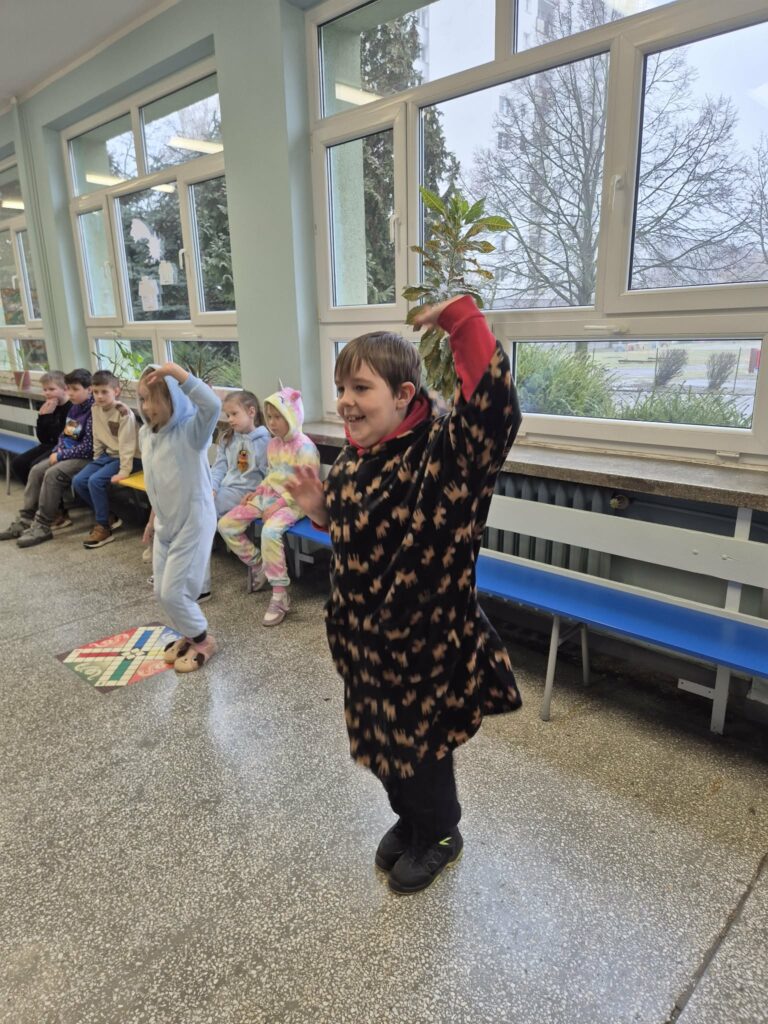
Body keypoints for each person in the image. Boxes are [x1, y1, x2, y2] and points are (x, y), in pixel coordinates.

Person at [287, 295, 522, 895]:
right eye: (341, 387)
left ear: (404, 395)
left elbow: (492, 416)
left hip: (422, 646)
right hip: (365, 644)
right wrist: (321, 512)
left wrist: (462, 321)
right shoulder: (354, 460)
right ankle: (412, 818)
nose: (345, 401)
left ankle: (440, 832)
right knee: (380, 747)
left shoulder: (441, 456)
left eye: (361, 388)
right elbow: (361, 534)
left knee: (420, 753)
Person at [137, 362, 221, 673]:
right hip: (165, 523)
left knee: (174, 592)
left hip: (193, 522)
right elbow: (156, 483)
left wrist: (178, 374)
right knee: (161, 590)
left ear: (173, 400)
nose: (148, 407)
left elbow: (212, 406)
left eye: (155, 400)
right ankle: (189, 634)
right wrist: (151, 520)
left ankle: (203, 641)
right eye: (143, 399)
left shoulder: (191, 433)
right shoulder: (146, 434)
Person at [218, 386, 319, 627]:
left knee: (270, 531)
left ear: (292, 416)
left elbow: (306, 487)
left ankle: (280, 594)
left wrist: (279, 504)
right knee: (226, 524)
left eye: (278, 417)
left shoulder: (305, 448)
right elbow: (272, 476)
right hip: (270, 496)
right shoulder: (273, 444)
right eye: (270, 417)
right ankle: (259, 564)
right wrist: (258, 491)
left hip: (296, 502)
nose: (272, 423)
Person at [0, 368, 94, 548]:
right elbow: (68, 436)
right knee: (36, 470)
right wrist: (57, 451)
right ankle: (26, 519)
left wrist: (61, 455)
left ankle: (42, 526)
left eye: (74, 389)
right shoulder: (76, 409)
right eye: (69, 389)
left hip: (88, 456)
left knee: (52, 474)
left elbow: (89, 447)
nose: (70, 393)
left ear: (89, 389)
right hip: (73, 452)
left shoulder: (93, 410)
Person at [199, 390, 270, 600]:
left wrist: (257, 495)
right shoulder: (228, 438)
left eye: (234, 414)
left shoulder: (264, 441)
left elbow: (269, 475)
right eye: (227, 415)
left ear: (251, 412)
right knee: (199, 507)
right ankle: (190, 572)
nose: (229, 419)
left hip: (246, 493)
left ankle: (199, 582)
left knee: (200, 514)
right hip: (225, 490)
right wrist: (211, 488)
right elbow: (219, 468)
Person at [72, 370, 141, 549]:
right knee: (78, 481)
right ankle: (109, 515)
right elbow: (97, 435)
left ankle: (103, 527)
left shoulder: (123, 413)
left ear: (116, 391)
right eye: (96, 392)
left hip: (130, 459)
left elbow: (128, 445)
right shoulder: (95, 408)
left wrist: (124, 471)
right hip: (108, 456)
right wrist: (96, 459)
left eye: (104, 392)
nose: (99, 396)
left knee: (95, 481)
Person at [10, 371, 71, 486]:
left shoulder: (72, 408)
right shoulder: (49, 406)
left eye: (52, 389)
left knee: (36, 466)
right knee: (18, 463)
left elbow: (65, 438)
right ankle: (34, 491)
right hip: (48, 445)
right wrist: (43, 416)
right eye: (45, 389)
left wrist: (47, 416)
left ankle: (44, 493)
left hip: (63, 446)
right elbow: (43, 438)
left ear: (65, 389)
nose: (47, 393)